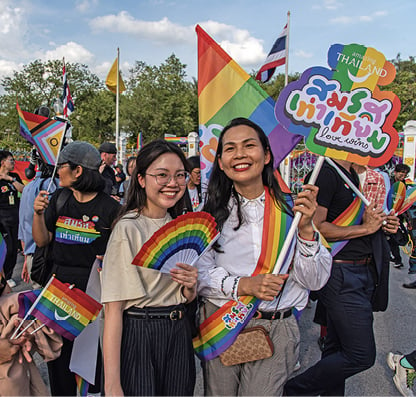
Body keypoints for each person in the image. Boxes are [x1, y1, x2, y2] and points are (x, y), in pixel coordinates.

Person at [196, 117, 332, 396]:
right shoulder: (208, 211)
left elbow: (315, 280)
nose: (241, 154)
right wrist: (244, 285)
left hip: (277, 327)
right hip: (224, 320)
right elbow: (197, 271)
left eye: (249, 145)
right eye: (230, 148)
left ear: (267, 154)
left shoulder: (293, 211)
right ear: (220, 161)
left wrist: (306, 230)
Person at [284, 159, 398, 396]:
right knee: (360, 355)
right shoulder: (326, 172)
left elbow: (353, 219)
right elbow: (316, 227)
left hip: (361, 271)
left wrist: (381, 222)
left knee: (336, 349)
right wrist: (366, 229)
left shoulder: (349, 174)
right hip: (342, 274)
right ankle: (293, 390)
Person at [101, 140, 198, 396]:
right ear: (141, 179)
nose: (173, 183)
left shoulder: (182, 227)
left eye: (180, 175)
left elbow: (186, 296)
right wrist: (112, 385)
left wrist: (190, 288)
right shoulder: (128, 228)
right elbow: (113, 311)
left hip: (178, 332)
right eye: (162, 175)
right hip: (140, 332)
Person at [33, 141, 120, 396]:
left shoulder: (111, 209)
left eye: (61, 167)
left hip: (94, 296)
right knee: (58, 363)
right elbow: (42, 241)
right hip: (58, 292)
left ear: (78, 171)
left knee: (90, 365)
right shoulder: (59, 199)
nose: (57, 172)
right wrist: (37, 213)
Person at [18, 158, 59, 287]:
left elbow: (22, 226)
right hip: (46, 256)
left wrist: (26, 256)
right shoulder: (52, 187)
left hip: (31, 254)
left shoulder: (28, 187)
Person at [0, 150, 24, 288]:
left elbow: (23, 190)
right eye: (10, 160)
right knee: (6, 248)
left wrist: (11, 180)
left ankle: (8, 275)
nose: (13, 162)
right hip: (2, 218)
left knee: (14, 248)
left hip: (15, 216)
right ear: (3, 162)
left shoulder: (14, 177)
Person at [388, 163, 412, 268]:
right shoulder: (389, 183)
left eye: (405, 175)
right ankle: (395, 258)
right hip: (388, 213)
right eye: (401, 174)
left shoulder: (404, 185)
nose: (402, 177)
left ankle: (397, 259)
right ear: (395, 173)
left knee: (393, 238)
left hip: (398, 216)